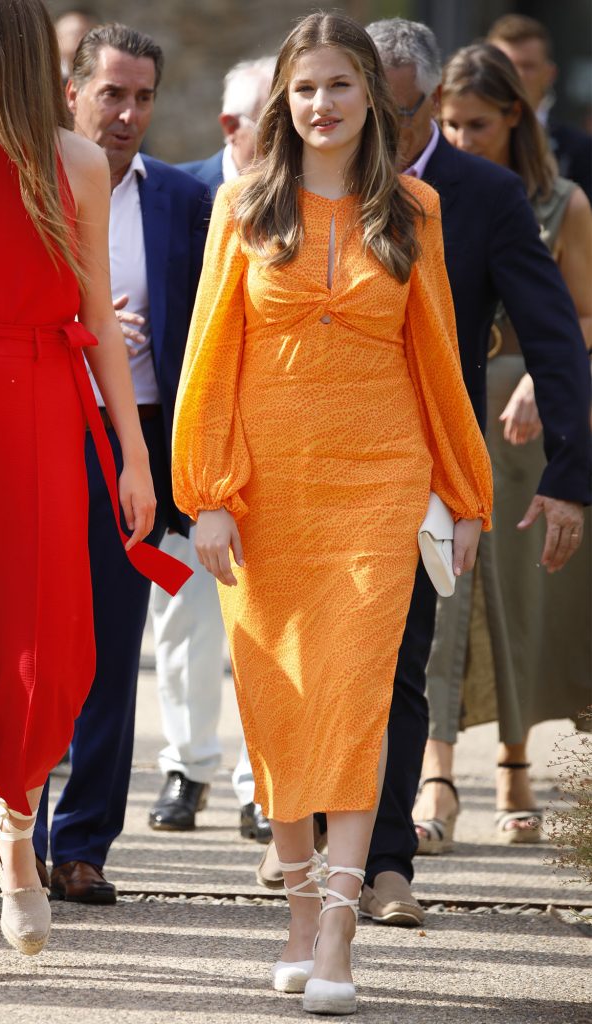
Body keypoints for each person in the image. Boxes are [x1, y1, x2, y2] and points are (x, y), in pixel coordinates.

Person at [171, 11, 492, 1015]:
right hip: (266, 495)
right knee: (276, 702)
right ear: (281, 101)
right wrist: (208, 496)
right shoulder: (239, 209)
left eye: (338, 85)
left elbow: (438, 359)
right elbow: (207, 363)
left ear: (373, 95)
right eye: (302, 87)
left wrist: (463, 490)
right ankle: (299, 909)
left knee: (354, 699)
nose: (320, 104)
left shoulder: (415, 208)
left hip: (377, 483)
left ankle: (341, 926)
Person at [356, 17, 590, 931]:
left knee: (405, 664)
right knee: (314, 656)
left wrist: (569, 473)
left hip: (425, 465)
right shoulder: (298, 183)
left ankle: (383, 862)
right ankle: (298, 833)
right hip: (311, 466)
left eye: (404, 117)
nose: (392, 136)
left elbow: (559, 335)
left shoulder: (487, 197)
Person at [0, 0, 189, 971]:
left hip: (37, 407)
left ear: (8, 51)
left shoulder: (79, 162)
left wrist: (137, 457)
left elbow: (99, 312)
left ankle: (17, 823)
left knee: (45, 643)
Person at [31, 23, 208, 906]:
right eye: (112, 93)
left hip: (133, 441)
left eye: (142, 96)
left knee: (109, 644)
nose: (129, 112)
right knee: (28, 641)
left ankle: (83, 846)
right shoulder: (29, 178)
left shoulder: (183, 198)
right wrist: (88, 329)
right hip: (38, 422)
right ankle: (14, 837)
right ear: (71, 91)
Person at [414, 42, 592, 853]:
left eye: (476, 123)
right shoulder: (424, 192)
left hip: (523, 415)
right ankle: (437, 772)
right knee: (444, 591)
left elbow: (581, 316)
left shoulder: (563, 202)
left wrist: (533, 381)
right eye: (447, 123)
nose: (459, 138)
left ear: (514, 116)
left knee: (515, 597)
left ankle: (516, 768)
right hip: (447, 404)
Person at [148, 56, 275, 844]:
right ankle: (186, 767)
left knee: (261, 619)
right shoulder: (179, 193)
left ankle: (260, 781)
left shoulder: (310, 195)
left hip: (275, 437)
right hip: (191, 434)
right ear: (234, 125)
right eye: (276, 111)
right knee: (186, 611)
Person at [487, 14, 592, 202]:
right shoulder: (460, 140)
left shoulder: (580, 151)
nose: (515, 75)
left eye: (527, 66)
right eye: (505, 65)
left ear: (549, 74)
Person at [54, 6, 100, 84]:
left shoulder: (104, 73)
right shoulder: (48, 77)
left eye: (88, 33)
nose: (82, 39)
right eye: (74, 34)